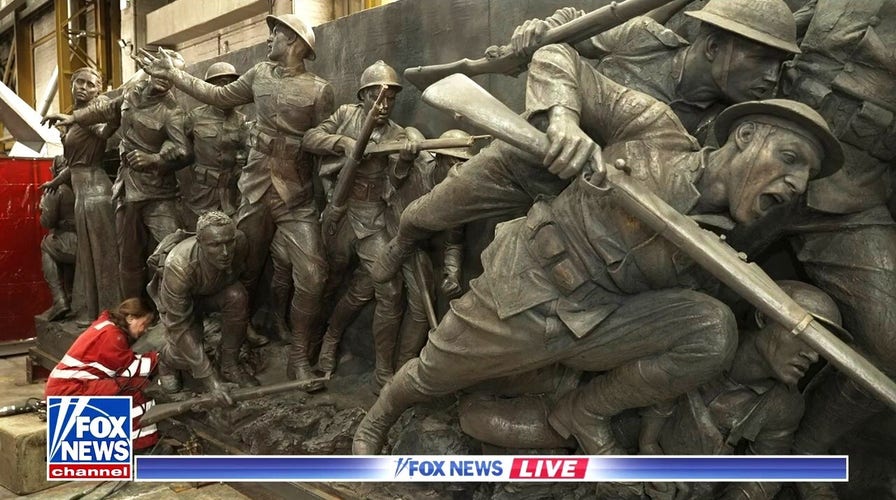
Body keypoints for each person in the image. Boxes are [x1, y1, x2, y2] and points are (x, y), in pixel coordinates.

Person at [351, 42, 842, 455]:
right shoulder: (655, 130)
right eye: (790, 158)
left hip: (595, 322)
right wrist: (564, 120)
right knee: (433, 373)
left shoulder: (722, 244)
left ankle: (584, 413)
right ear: (746, 136)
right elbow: (556, 56)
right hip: (528, 284)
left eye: (804, 176)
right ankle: (382, 413)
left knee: (711, 329)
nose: (796, 182)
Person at [372, 0, 802, 285]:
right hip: (527, 156)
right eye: (761, 58)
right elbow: (566, 41)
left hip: (586, 215)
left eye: (780, 64)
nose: (771, 76)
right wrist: (542, 31)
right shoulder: (644, 40)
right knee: (431, 210)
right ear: (712, 47)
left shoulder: (720, 133)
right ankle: (403, 240)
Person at [723, 0, 896, 467]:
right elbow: (735, 37)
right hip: (762, 163)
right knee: (669, 275)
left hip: (851, 201)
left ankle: (803, 456)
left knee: (890, 346)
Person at [138, 14, 334, 387]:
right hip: (257, 185)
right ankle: (235, 339)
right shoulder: (259, 73)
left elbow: (322, 141)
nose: (269, 39)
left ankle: (298, 357)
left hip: (297, 193)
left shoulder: (319, 89)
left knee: (313, 275)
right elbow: (217, 95)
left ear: (294, 41)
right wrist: (174, 74)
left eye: (276, 34)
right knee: (241, 265)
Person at [303, 60, 415, 388]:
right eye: (378, 97)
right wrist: (344, 143)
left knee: (388, 291)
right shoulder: (344, 116)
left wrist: (404, 160)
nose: (384, 105)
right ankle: (317, 347)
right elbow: (310, 138)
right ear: (363, 96)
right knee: (324, 282)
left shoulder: (396, 133)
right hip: (339, 211)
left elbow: (395, 180)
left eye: (391, 99)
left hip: (371, 217)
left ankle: (382, 371)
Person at [42, 53, 191, 300]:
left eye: (173, 76)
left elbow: (185, 152)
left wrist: (154, 159)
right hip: (126, 191)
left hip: (157, 193)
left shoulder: (172, 111)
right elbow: (105, 109)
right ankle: (132, 314)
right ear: (152, 69)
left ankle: (170, 314)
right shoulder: (132, 94)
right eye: (163, 72)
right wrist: (72, 117)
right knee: (128, 258)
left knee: (171, 253)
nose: (165, 80)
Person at [40, 67, 121, 324]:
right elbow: (76, 165)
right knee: (89, 256)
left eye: (90, 84)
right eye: (79, 82)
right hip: (83, 191)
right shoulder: (77, 118)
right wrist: (55, 180)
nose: (83, 87)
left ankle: (110, 314)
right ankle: (94, 311)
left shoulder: (96, 110)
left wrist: (112, 116)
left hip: (95, 193)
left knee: (104, 256)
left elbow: (104, 132)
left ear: (98, 90)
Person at [147, 211, 257, 395]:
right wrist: (211, 381)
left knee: (237, 296)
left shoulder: (240, 242)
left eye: (229, 242)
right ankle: (166, 360)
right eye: (215, 245)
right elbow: (180, 327)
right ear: (199, 243)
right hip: (181, 302)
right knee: (186, 353)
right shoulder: (178, 267)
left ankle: (229, 364)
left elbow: (243, 277)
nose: (225, 252)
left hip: (211, 291)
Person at [44, 298, 160, 451]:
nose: (144, 330)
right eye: (144, 324)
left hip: (66, 386)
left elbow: (122, 362)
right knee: (137, 388)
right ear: (131, 318)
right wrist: (158, 358)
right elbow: (130, 370)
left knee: (128, 385)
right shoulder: (112, 336)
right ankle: (142, 448)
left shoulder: (106, 325)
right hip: (70, 389)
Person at [181, 62, 249, 230]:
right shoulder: (194, 118)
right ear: (208, 87)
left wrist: (243, 159)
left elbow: (246, 154)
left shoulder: (241, 120)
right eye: (219, 83)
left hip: (230, 195)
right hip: (201, 195)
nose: (225, 88)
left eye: (230, 83)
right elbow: (182, 154)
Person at [39, 157, 77, 321]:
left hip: (66, 241)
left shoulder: (56, 189)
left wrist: (42, 205)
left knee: (46, 247)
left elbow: (47, 221)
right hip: (84, 242)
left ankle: (59, 298)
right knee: (64, 257)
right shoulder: (81, 186)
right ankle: (69, 297)